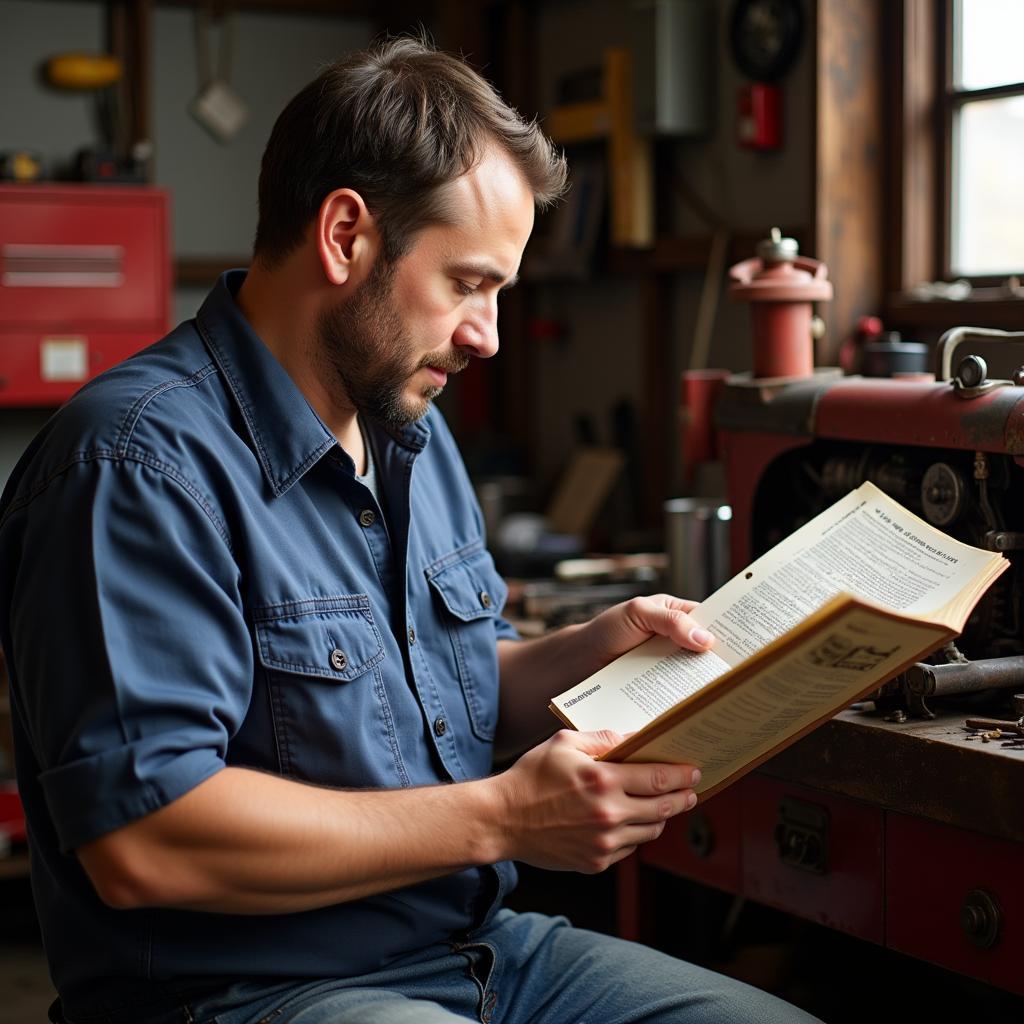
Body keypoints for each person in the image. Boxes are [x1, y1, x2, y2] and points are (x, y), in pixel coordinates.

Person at [0, 36, 819, 1024]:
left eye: (500, 293)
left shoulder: (408, 436)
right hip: (242, 991)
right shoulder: (133, 466)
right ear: (346, 235)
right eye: (470, 283)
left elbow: (445, 684)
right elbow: (146, 840)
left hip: (478, 952)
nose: (489, 334)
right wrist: (505, 816)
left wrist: (597, 649)